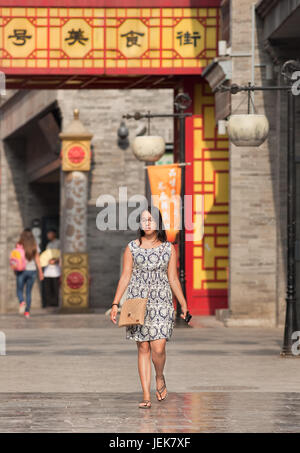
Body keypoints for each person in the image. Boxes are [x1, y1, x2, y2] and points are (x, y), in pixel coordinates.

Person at [110, 205, 188, 409]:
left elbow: (173, 278)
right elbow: (125, 276)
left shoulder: (168, 248)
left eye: (151, 220)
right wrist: (115, 303)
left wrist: (183, 304)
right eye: (143, 220)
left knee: (158, 346)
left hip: (162, 301)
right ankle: (146, 394)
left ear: (158, 224)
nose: (147, 223)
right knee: (143, 346)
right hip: (138, 302)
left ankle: (159, 377)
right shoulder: (132, 247)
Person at [15, 228, 44, 318]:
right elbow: (37, 260)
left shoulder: (19, 245)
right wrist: (41, 272)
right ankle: (27, 312)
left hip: (21, 270)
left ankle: (21, 302)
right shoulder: (34, 245)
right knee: (28, 292)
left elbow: (15, 258)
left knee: (19, 289)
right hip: (32, 271)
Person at [42, 229, 61, 308]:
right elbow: (46, 256)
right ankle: (49, 302)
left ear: (54, 234)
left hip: (56, 269)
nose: (48, 235)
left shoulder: (59, 243)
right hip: (48, 269)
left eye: (49, 233)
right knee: (48, 287)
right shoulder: (49, 244)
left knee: (56, 287)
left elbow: (60, 254)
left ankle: (56, 302)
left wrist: (56, 260)